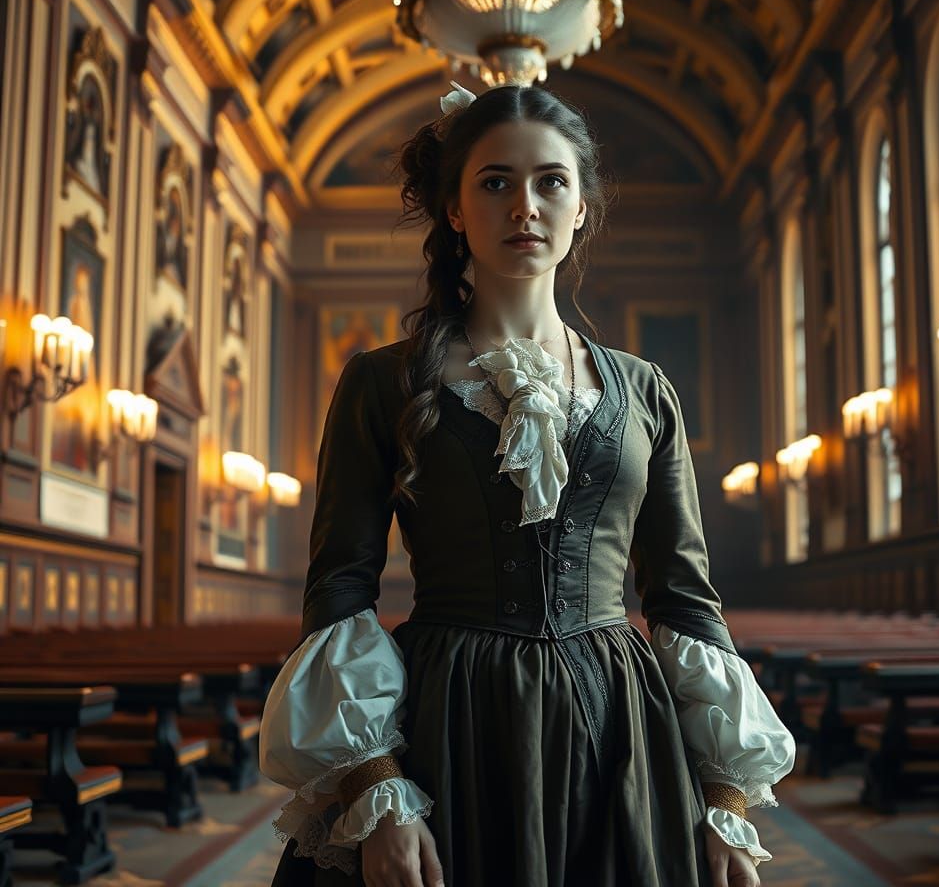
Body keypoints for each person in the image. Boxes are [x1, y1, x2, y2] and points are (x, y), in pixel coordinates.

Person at [259, 81, 796, 887]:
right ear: (453, 209)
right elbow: (340, 587)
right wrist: (379, 787)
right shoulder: (382, 383)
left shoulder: (644, 390)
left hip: (621, 730)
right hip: (451, 721)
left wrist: (724, 794)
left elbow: (685, 597)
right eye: (495, 182)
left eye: (551, 181)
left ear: (581, 207)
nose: (525, 207)